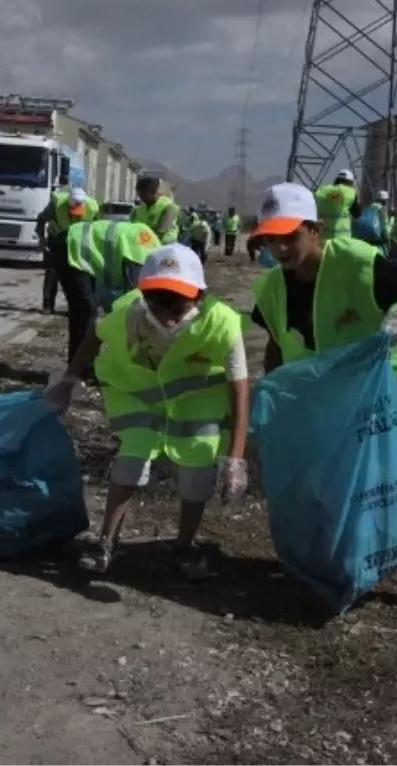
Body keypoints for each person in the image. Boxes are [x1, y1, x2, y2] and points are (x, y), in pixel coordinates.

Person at [247, 182, 397, 610]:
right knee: (335, 463)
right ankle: (354, 551)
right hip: (338, 381)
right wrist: (275, 394)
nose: (282, 248)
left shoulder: (354, 260)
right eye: (272, 239)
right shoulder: (272, 288)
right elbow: (275, 343)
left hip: (394, 366)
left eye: (291, 236)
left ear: (315, 230)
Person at [46, 244, 250, 579]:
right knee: (132, 457)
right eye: (158, 302)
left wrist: (236, 457)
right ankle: (106, 544)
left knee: (198, 466)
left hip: (194, 402)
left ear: (200, 295)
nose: (168, 312)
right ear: (143, 295)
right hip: (140, 396)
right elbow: (94, 337)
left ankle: (183, 548)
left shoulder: (222, 323)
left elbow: (240, 388)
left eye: (178, 302)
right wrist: (69, 379)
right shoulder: (130, 314)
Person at [60, 219, 162, 365]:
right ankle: (82, 368)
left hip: (76, 239)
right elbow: (132, 302)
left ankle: (83, 365)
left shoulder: (151, 247)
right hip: (71, 246)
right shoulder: (138, 258)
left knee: (88, 310)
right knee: (86, 310)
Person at [36, 187, 100, 314]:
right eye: (72, 211)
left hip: (79, 241)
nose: (74, 214)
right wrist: (42, 240)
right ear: (67, 204)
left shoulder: (92, 207)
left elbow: (97, 227)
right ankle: (48, 305)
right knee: (52, 272)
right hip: (57, 239)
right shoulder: (56, 204)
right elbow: (41, 219)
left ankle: (79, 306)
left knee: (81, 274)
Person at [130, 176, 181, 244]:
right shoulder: (139, 208)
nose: (140, 197)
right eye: (139, 194)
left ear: (154, 192)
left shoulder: (169, 207)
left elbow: (160, 234)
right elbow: (131, 228)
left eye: (143, 194)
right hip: (144, 243)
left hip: (164, 246)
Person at [314, 168, 362, 239]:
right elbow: (357, 214)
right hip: (341, 239)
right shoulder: (350, 192)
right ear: (350, 182)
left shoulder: (323, 190)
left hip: (322, 238)